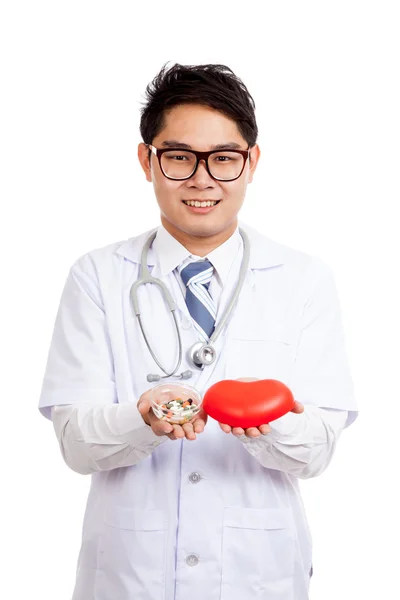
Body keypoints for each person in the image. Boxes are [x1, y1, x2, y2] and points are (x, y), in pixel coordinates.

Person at [39, 63, 358, 600]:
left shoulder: (304, 279)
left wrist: (265, 421)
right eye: (180, 156)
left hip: (259, 575)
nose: (202, 178)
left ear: (252, 162)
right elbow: (75, 444)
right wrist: (142, 418)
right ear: (147, 160)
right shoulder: (97, 275)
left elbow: (318, 452)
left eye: (224, 159)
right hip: (130, 576)